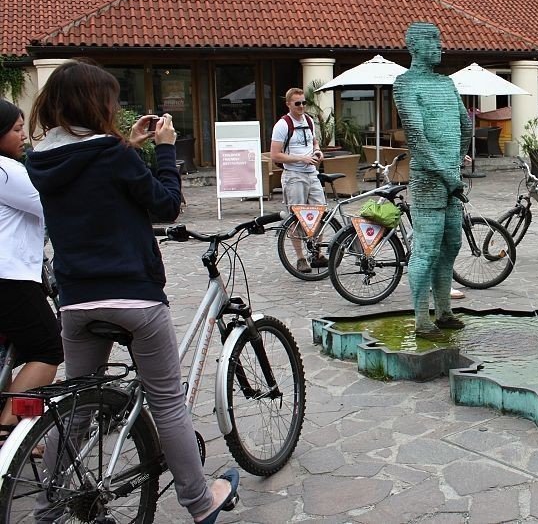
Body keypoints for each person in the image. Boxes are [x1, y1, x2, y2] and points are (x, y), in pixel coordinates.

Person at [26, 60, 239, 523]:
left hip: (76, 301)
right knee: (167, 403)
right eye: (110, 100)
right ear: (94, 103)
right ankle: (201, 503)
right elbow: (165, 205)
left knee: (75, 408)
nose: (115, 108)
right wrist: (165, 150)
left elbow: (90, 173)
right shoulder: (112, 154)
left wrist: (128, 145)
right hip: (134, 297)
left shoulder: (41, 158)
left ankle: (47, 509)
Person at [393, 23, 472, 339]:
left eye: (441, 39)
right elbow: (416, 137)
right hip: (428, 179)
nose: (441, 46)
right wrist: (446, 172)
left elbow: (465, 126)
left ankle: (444, 310)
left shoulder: (447, 83)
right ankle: (420, 317)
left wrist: (456, 163)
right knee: (426, 247)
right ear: (414, 45)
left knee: (452, 241)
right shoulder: (405, 84)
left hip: (451, 177)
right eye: (434, 40)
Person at [0, 99, 63, 441]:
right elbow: (51, 203)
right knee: (47, 349)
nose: (23, 136)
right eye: (16, 130)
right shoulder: (7, 171)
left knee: (15, 352)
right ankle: (10, 433)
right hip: (10, 277)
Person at [270, 88, 326, 273]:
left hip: (312, 173)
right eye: (297, 103)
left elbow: (314, 142)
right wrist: (301, 159)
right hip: (294, 175)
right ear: (288, 104)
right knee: (295, 217)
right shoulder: (283, 125)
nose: (302, 106)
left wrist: (318, 151)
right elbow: (275, 155)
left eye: (304, 102)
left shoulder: (309, 121)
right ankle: (301, 258)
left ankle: (317, 253)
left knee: (321, 213)